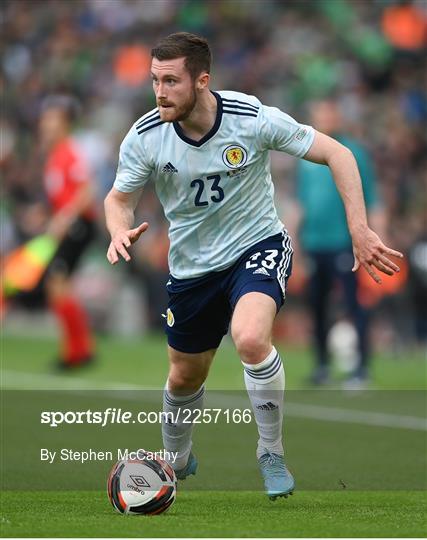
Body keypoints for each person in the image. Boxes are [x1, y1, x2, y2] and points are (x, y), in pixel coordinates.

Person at [104, 33, 403, 499]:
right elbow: (119, 198)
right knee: (185, 375)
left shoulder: (251, 118)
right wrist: (118, 228)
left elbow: (338, 154)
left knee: (250, 337)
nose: (159, 92)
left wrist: (360, 231)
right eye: (154, 81)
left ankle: (270, 451)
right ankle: (177, 461)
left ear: (202, 81)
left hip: (256, 245)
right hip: (191, 267)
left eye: (170, 81)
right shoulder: (145, 136)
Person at [294, 98, 386, 386]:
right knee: (316, 305)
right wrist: (293, 239)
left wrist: (377, 237)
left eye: (327, 112)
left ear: (337, 116)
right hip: (314, 242)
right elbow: (299, 203)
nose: (323, 118)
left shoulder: (353, 153)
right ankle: (322, 365)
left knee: (353, 303)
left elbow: (373, 200)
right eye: (318, 113)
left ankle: (361, 368)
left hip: (345, 243)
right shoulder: (306, 156)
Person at [39, 96, 97, 368]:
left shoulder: (69, 153)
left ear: (64, 124)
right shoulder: (55, 155)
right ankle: (80, 350)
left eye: (51, 120)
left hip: (78, 226)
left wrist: (64, 218)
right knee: (59, 287)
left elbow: (87, 191)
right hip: (70, 226)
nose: (45, 125)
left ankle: (77, 352)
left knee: (57, 284)